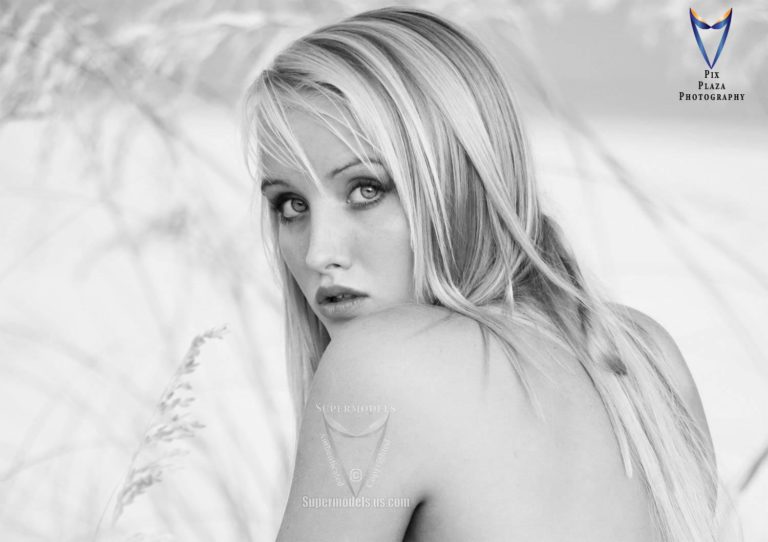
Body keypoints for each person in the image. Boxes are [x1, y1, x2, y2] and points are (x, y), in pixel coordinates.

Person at [243, 7, 718, 541]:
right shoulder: (645, 355)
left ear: (460, 180)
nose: (316, 253)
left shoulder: (379, 365)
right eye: (289, 204)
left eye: (367, 191)